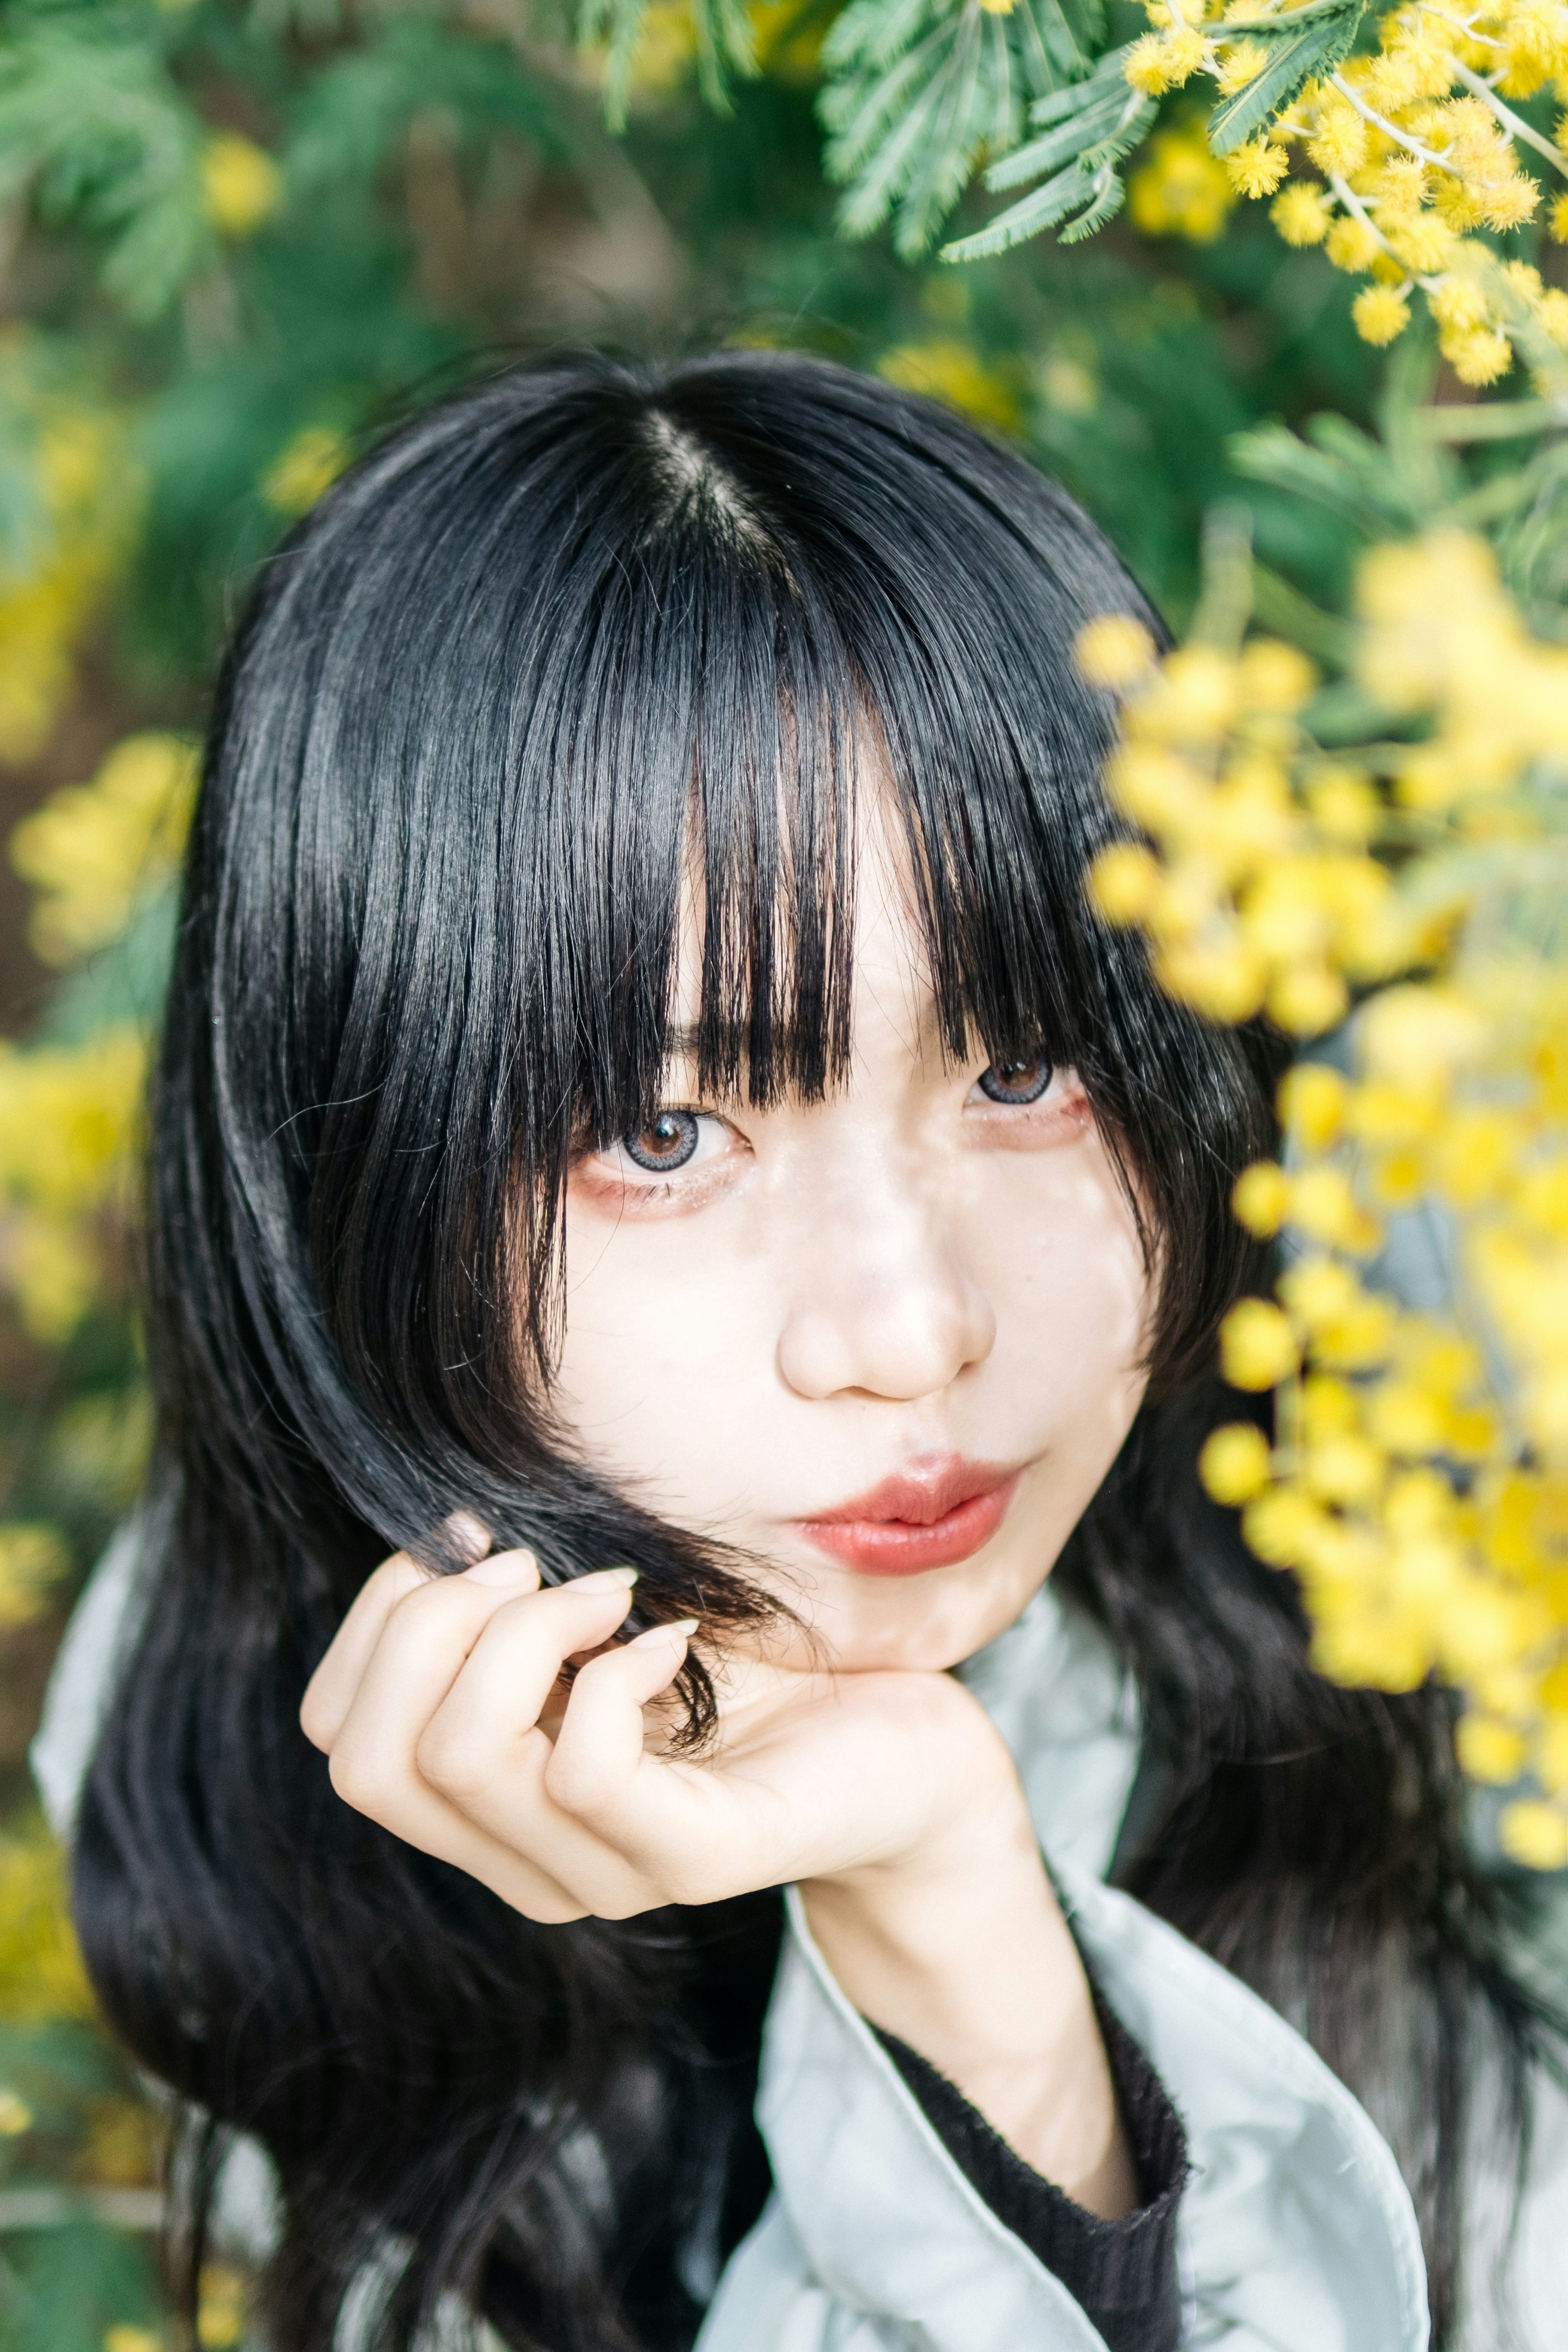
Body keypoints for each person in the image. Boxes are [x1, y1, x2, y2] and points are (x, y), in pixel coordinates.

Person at [51, 352, 1568, 2352]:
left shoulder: (1466, 1472)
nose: (912, 1326)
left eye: (1028, 1069)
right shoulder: (255, 1789)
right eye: (666, 1137)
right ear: (364, 1175)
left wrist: (947, 1921)